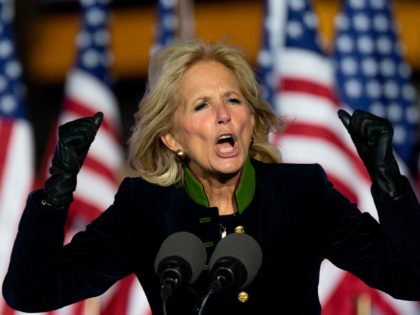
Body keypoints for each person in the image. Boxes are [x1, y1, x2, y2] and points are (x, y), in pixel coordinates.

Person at [3, 38, 420, 315]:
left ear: (251, 119)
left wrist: (389, 181)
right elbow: (32, 292)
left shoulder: (301, 194)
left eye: (234, 99)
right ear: (171, 137)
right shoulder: (145, 207)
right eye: (201, 105)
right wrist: (57, 190)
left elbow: (410, 279)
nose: (223, 114)